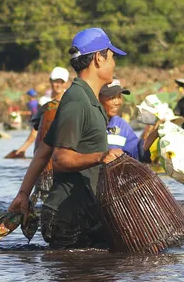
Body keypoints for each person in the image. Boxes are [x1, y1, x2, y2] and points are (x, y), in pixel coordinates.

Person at [8, 28, 126, 249]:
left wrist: (23, 195)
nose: (114, 64)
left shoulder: (87, 99)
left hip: (83, 214)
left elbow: (43, 152)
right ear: (99, 59)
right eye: (111, 57)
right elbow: (60, 159)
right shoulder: (76, 101)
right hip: (69, 219)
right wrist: (102, 156)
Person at [8, 67, 71, 158]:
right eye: (55, 81)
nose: (57, 85)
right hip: (45, 143)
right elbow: (37, 128)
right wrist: (23, 148)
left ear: (65, 83)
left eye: (61, 82)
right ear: (50, 81)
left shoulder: (70, 100)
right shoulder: (44, 101)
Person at [100, 79, 141, 160]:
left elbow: (136, 153)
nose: (117, 102)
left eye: (119, 97)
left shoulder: (121, 125)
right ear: (98, 97)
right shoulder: (89, 122)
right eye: (111, 97)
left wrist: (151, 135)